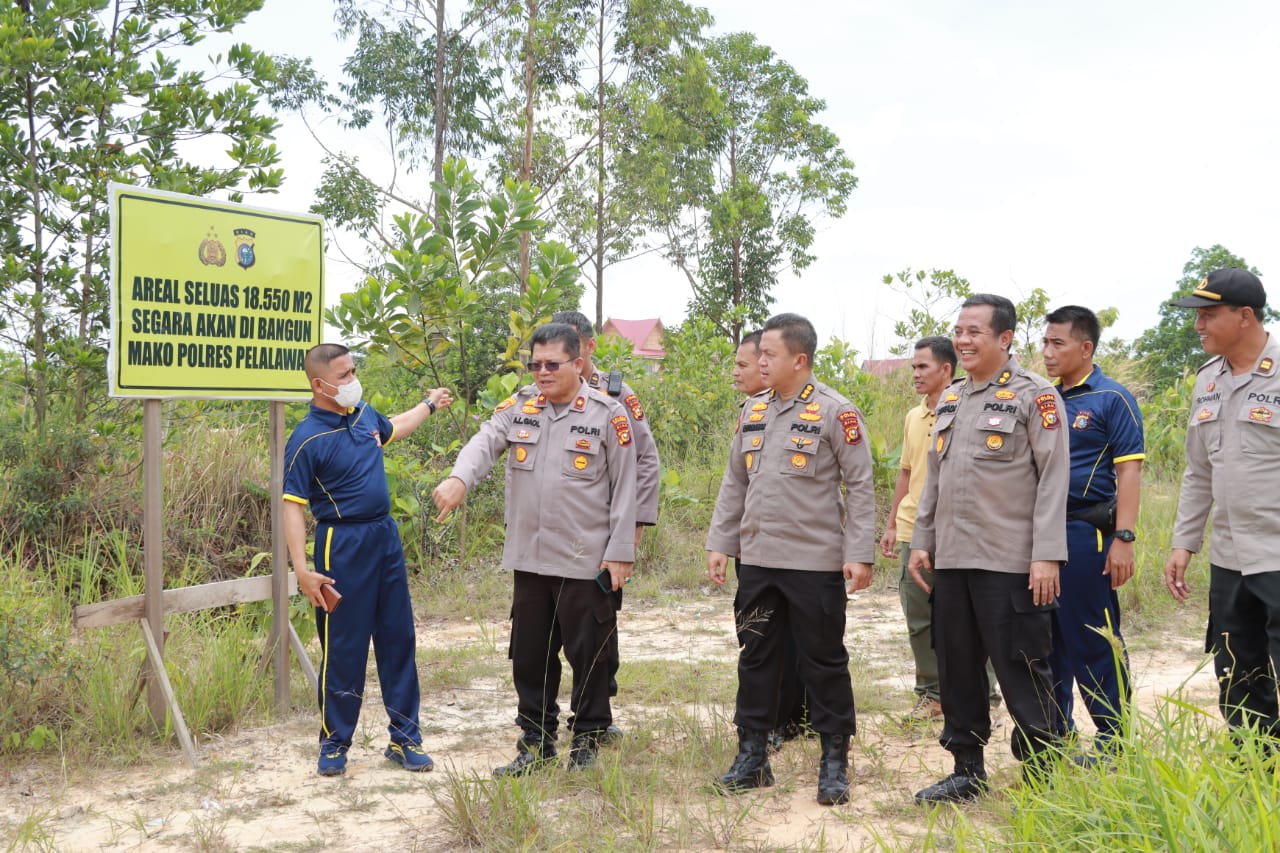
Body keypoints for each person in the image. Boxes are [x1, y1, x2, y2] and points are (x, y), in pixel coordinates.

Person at [432, 323, 637, 774]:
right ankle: (535, 744)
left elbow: (627, 488)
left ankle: (586, 739)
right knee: (530, 656)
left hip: (586, 559)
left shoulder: (609, 414)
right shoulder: (521, 407)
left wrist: (621, 550)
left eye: (552, 364)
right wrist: (459, 478)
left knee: (590, 654)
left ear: (578, 363)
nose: (542, 373)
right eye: (535, 364)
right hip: (530, 557)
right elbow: (484, 440)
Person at [706, 313, 876, 806]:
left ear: (798, 360)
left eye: (769, 355)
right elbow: (734, 481)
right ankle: (752, 757)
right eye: (759, 355)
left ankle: (833, 763)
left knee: (823, 662)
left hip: (814, 563)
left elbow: (860, 485)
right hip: (758, 560)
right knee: (755, 657)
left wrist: (859, 553)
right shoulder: (753, 410)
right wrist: (721, 542)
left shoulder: (835, 411)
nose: (760, 362)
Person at [909, 294, 1069, 803]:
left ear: (1004, 338)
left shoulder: (1036, 396)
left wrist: (1046, 554)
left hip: (1011, 562)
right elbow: (933, 478)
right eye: (959, 330)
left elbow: (1053, 480)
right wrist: (922, 540)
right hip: (953, 561)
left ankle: (1045, 768)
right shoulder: (952, 399)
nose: (962, 340)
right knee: (957, 666)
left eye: (975, 331)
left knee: (1022, 665)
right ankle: (967, 768)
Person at [283, 343, 453, 777]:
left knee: (398, 638)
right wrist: (302, 569)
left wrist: (429, 405)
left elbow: (396, 426)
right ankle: (335, 743)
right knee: (345, 645)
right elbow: (292, 506)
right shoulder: (306, 438)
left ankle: (405, 739)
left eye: (353, 370)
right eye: (343, 375)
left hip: (384, 537)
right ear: (320, 385)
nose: (352, 380)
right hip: (340, 544)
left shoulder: (363, 415)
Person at [1164, 268, 1280, 742]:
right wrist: (1183, 543)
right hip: (1230, 557)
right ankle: (1253, 769)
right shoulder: (1207, 381)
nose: (1199, 326)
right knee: (1238, 670)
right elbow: (1198, 471)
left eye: (1209, 315)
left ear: (1245, 316)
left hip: (1276, 553)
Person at [881, 336, 1005, 720]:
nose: (915, 374)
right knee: (918, 618)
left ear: (946, 370)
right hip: (911, 530)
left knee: (971, 618)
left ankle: (985, 694)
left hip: (958, 531)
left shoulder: (969, 410)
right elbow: (907, 473)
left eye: (923, 367)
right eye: (913, 367)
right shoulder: (913, 417)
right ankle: (931, 694)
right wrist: (891, 523)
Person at [551, 311, 660, 743]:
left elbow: (645, 462)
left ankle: (597, 714)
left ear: (589, 348)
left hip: (602, 532)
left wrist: (633, 528)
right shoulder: (544, 394)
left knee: (599, 623)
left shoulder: (616, 395)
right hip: (554, 534)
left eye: (572, 345)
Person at [1041, 305, 1144, 757]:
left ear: (1085, 347)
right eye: (1044, 342)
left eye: (1057, 343)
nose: (1047, 352)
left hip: (1089, 534)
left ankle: (1113, 737)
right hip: (1043, 535)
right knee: (1049, 639)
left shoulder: (1111, 398)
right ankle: (1056, 730)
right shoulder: (1045, 399)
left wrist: (1124, 539)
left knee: (1093, 636)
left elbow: (1130, 474)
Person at [733, 330, 809, 746]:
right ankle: (759, 730)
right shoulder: (751, 413)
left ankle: (790, 717)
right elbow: (736, 483)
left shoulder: (822, 412)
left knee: (798, 641)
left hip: (799, 551)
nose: (747, 369)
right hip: (754, 543)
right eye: (750, 360)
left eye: (759, 359)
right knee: (757, 638)